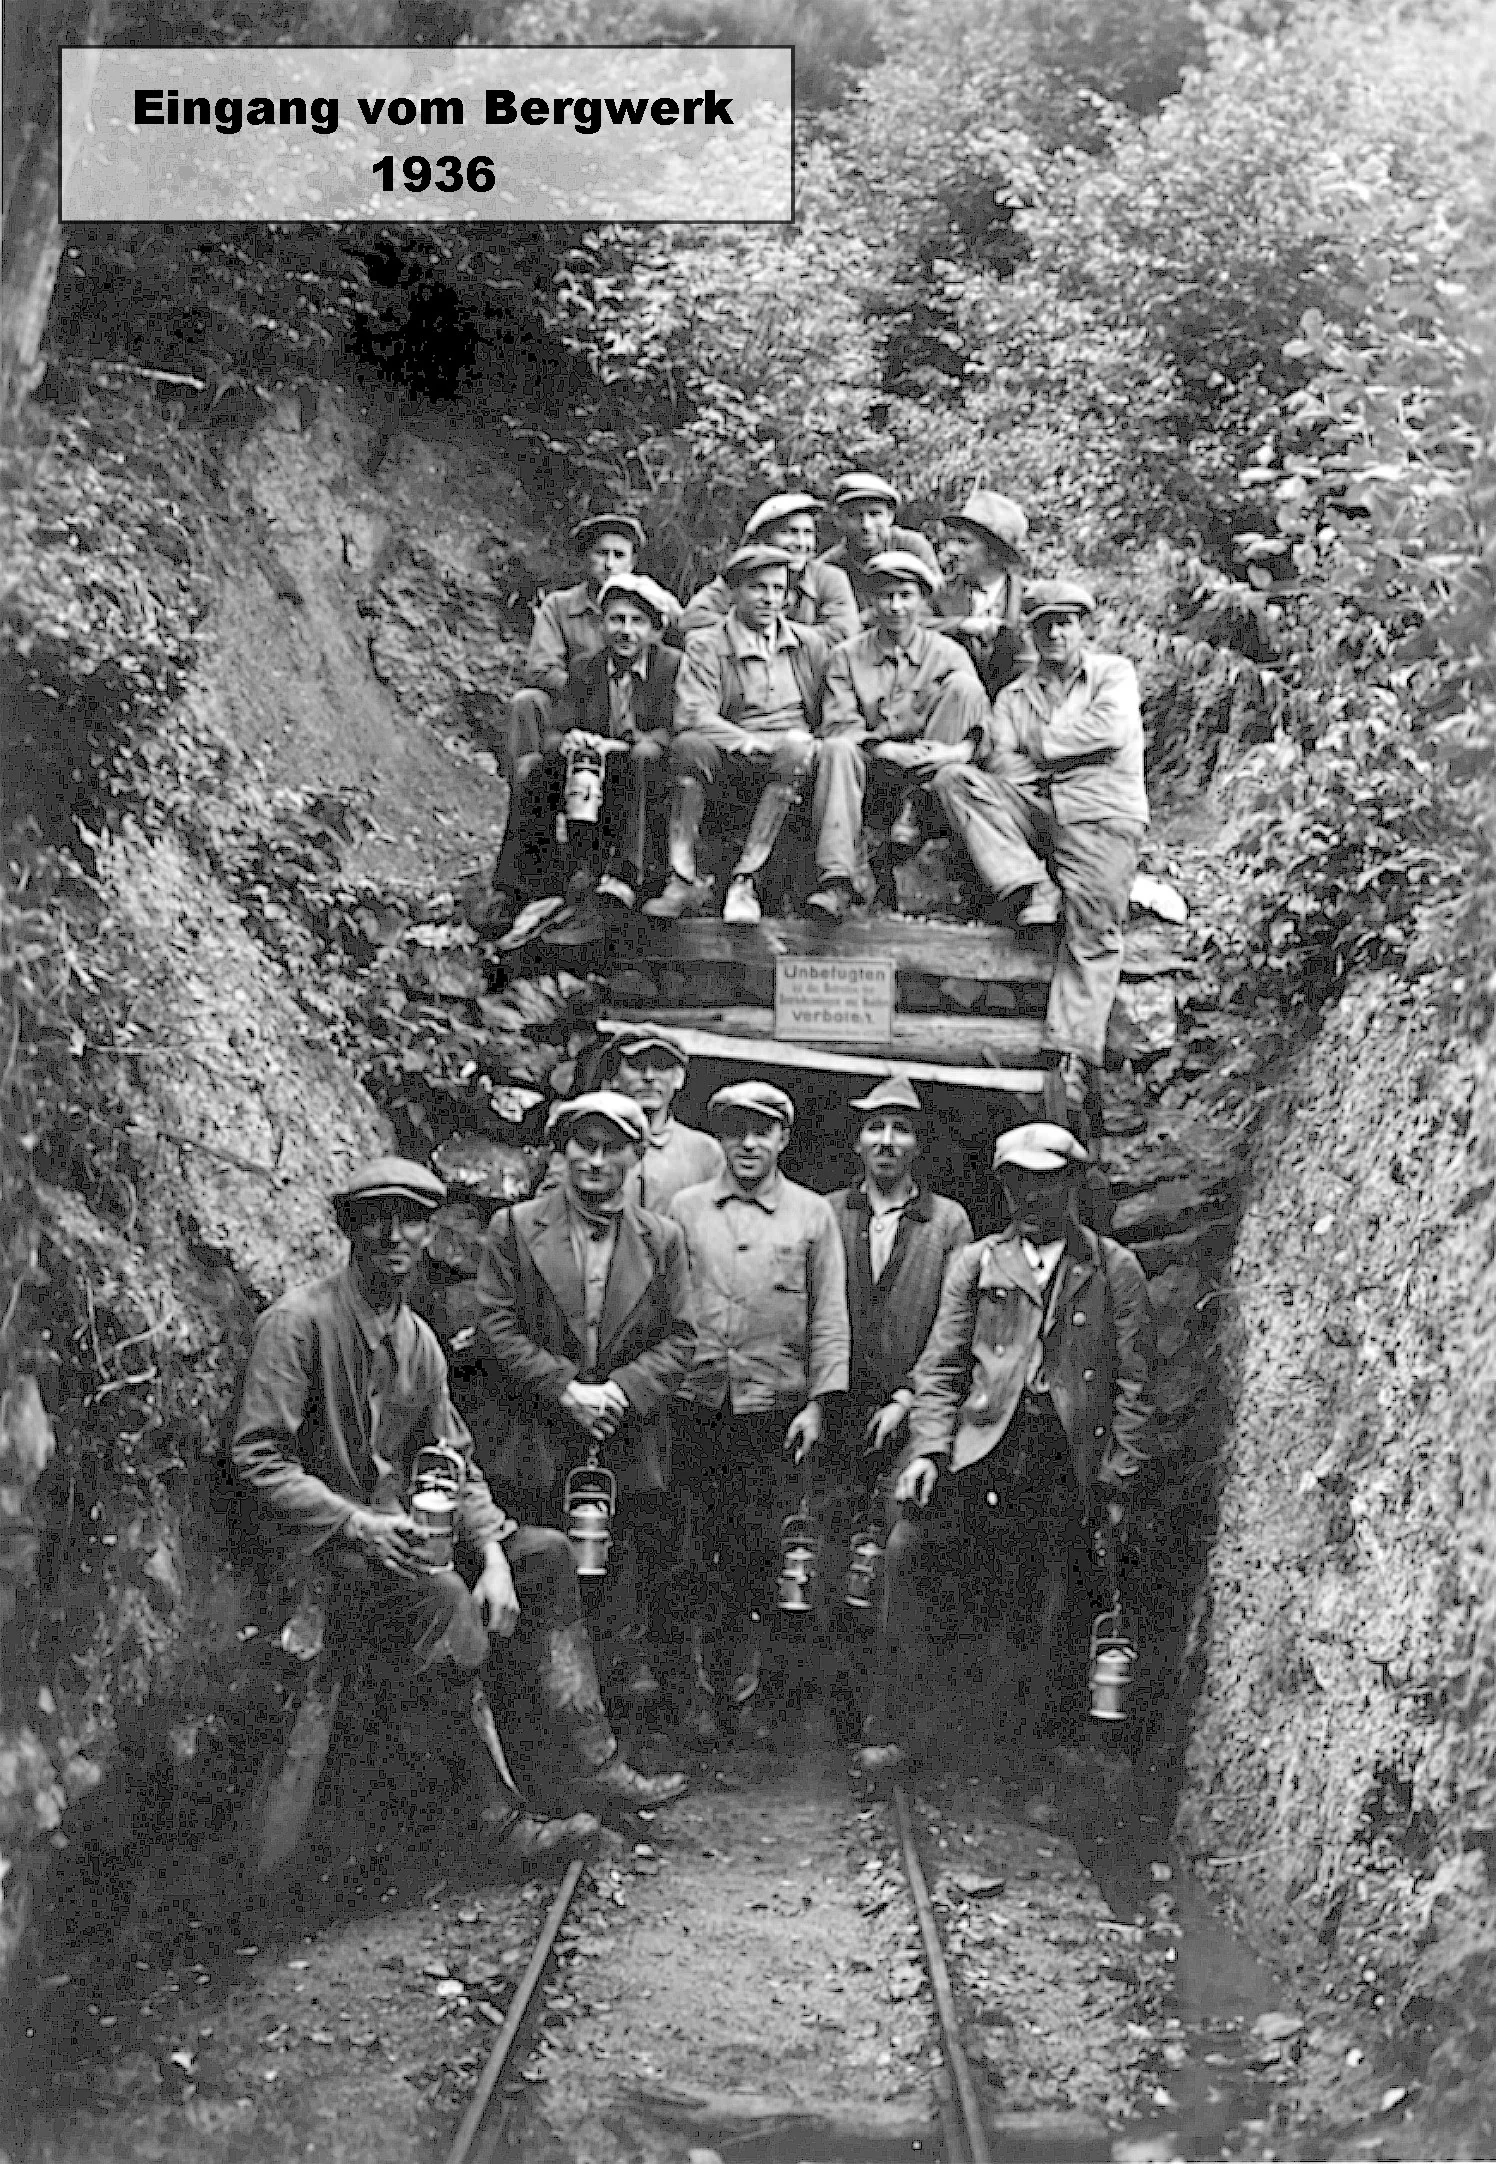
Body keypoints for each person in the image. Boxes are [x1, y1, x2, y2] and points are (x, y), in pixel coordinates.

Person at [231, 1156, 683, 1865]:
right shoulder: (298, 1324)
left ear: (428, 1234)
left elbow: (453, 1459)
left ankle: (584, 1764)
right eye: (375, 1219)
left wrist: (496, 1555)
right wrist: (355, 1523)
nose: (394, 1236)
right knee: (441, 1598)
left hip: (402, 1539)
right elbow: (259, 1457)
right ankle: (487, 1823)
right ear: (349, 1229)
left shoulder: (417, 1340)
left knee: (545, 1555)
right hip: (323, 1550)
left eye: (410, 1220)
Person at [858, 1123, 1158, 1792]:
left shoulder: (1112, 1270)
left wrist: (1118, 1479)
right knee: (914, 1556)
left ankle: (1031, 1763)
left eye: (1045, 1182)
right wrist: (929, 1452)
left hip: (1066, 1458)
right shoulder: (978, 1263)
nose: (1030, 1196)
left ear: (1072, 1185)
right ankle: (906, 1732)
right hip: (982, 1447)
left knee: (1053, 1604)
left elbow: (1137, 1387)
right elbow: (941, 1367)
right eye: (1017, 1182)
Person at [471, 1094, 699, 1724]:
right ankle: (530, 1734)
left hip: (622, 1442)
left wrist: (620, 1391)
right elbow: (495, 1324)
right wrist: (565, 1389)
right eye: (583, 1145)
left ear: (636, 1155)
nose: (596, 1161)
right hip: (536, 1438)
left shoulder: (662, 1239)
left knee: (613, 1586)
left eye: (612, 1148)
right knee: (538, 1581)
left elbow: (682, 1337)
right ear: (562, 1151)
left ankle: (602, 1738)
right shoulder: (514, 1228)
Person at [668, 1082, 850, 1745]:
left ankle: (751, 1696)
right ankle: (693, 1693)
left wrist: (820, 1404)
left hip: (773, 1411)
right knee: (690, 1551)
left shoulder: (811, 1215)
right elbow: (663, 1303)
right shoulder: (686, 1209)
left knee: (762, 1552)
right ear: (719, 1137)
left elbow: (829, 1314)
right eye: (735, 1130)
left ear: (783, 1139)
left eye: (762, 1130)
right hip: (694, 1405)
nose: (748, 1143)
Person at [929, 581, 1149, 1107]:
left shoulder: (1112, 674)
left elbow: (1110, 732)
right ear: (1030, 632)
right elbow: (1004, 761)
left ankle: (1072, 1058)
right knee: (957, 781)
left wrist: (1044, 746)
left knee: (1092, 927)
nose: (1055, 633)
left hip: (1100, 813)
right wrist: (1063, 757)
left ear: (1083, 628)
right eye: (1044, 624)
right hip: (1036, 807)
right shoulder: (1014, 696)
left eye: (1065, 622)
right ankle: (1030, 886)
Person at [820, 1079, 974, 1737]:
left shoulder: (948, 1223)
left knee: (899, 1553)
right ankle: (824, 1715)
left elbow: (954, 1326)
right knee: (827, 1551)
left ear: (918, 1144)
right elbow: (813, 1310)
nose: (887, 1141)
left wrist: (910, 1398)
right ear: (858, 1140)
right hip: (837, 1409)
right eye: (875, 1127)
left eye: (901, 1129)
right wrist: (821, 1395)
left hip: (912, 1412)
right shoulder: (829, 1212)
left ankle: (886, 1716)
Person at [645, 546, 833, 925]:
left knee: (798, 746)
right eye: (758, 587)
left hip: (795, 756)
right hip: (732, 754)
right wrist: (745, 741)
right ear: (733, 591)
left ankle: (746, 880)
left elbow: (827, 709)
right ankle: (681, 879)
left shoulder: (808, 645)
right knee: (688, 746)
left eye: (778, 589)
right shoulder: (707, 644)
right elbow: (692, 713)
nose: (769, 598)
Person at [489, 573, 682, 941]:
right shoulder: (585, 668)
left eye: (638, 622)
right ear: (602, 625)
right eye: (617, 620)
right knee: (532, 768)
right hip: (592, 767)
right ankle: (518, 884)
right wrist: (569, 740)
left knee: (641, 757)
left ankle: (626, 875)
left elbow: (673, 729)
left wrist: (625, 745)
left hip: (646, 769)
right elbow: (554, 731)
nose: (626, 631)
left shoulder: (670, 667)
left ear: (654, 630)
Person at [806, 551, 989, 920]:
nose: (895, 606)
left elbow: (982, 721)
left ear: (922, 600)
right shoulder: (846, 657)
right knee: (837, 748)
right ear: (871, 601)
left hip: (929, 772)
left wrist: (958, 752)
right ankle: (836, 879)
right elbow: (838, 723)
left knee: (965, 688)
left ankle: (914, 812)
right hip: (872, 768)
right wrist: (883, 747)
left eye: (905, 596)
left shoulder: (948, 653)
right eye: (885, 596)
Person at [503, 513, 648, 784]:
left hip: (629, 708)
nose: (609, 564)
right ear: (586, 558)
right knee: (527, 701)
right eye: (601, 554)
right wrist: (588, 691)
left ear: (632, 563)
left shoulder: (648, 610)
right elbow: (541, 668)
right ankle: (527, 789)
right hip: (573, 705)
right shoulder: (559, 606)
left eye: (619, 555)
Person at [677, 492, 859, 645]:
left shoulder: (829, 578)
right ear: (764, 539)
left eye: (808, 533)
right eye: (789, 532)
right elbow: (692, 619)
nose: (801, 543)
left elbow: (843, 633)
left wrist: (772, 629)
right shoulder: (742, 575)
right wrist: (749, 629)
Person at [932, 489, 1031, 699]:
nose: (952, 550)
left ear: (994, 552)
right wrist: (961, 625)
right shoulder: (939, 593)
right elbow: (911, 625)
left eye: (964, 542)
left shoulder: (1028, 599)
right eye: (953, 540)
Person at [817, 473, 940, 618]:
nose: (866, 525)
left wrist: (874, 615)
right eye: (855, 515)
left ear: (890, 516)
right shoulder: (829, 565)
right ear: (838, 519)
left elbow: (934, 599)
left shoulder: (911, 546)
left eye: (875, 514)